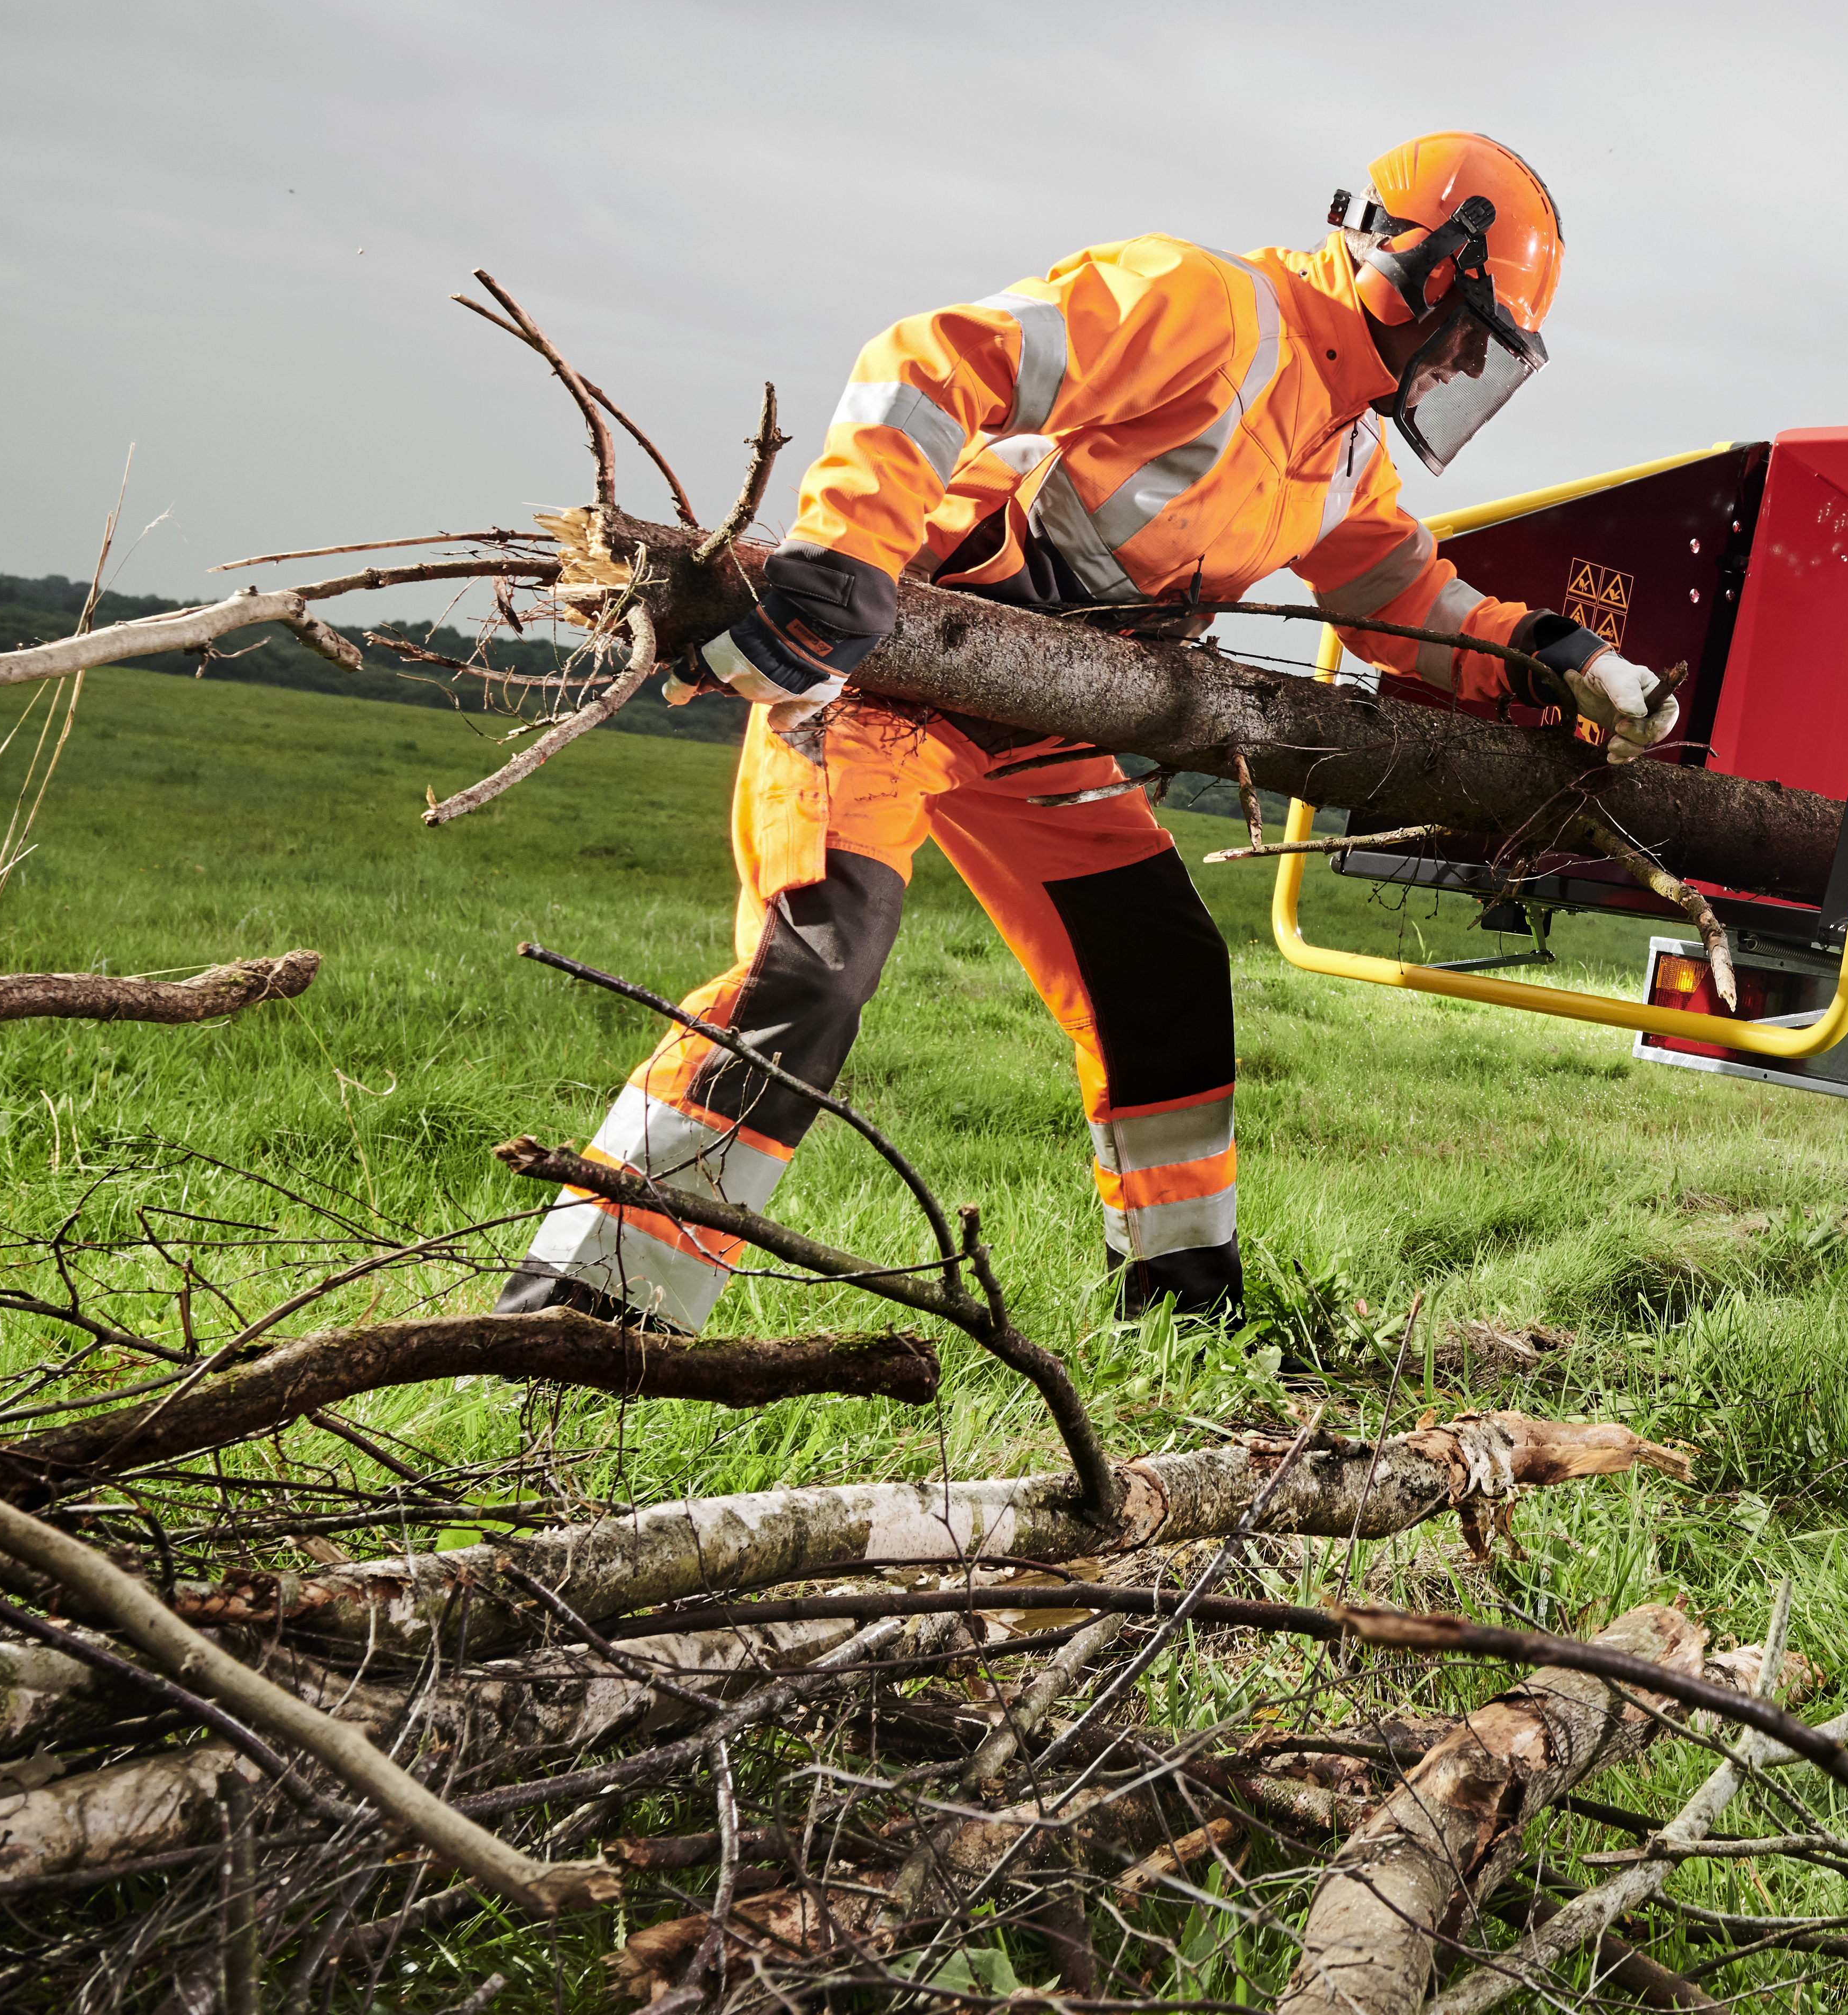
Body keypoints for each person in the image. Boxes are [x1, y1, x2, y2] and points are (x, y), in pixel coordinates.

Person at [500, 132, 1672, 1332]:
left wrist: (1551, 655)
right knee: (812, 963)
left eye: (1492, 356)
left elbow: (1394, 588)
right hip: (894, 676)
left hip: (1048, 716)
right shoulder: (1204, 305)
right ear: (1427, 268)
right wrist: (846, 552)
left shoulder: (1344, 439)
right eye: (1473, 332)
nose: (1466, 364)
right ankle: (589, 1307)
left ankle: (1182, 1315)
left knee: (1161, 969)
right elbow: (934, 358)